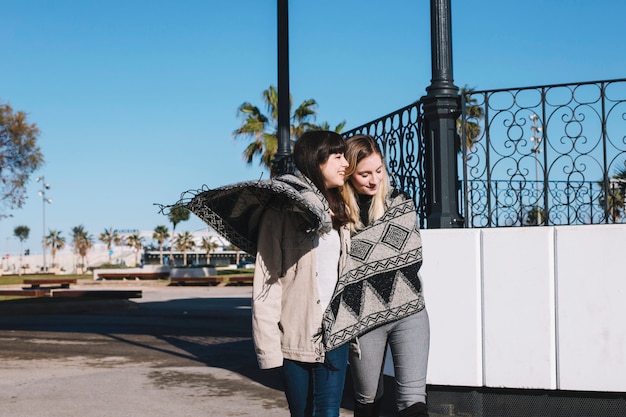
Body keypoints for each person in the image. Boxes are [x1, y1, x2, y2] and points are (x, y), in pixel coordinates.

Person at [322, 134, 430, 417]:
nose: (374, 180)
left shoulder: (401, 203)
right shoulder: (337, 214)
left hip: (409, 311)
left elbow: (413, 256)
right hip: (363, 317)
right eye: (365, 174)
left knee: (414, 401)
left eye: (379, 171)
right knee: (368, 399)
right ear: (349, 174)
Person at [252, 130, 352, 417]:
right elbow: (267, 282)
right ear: (316, 161)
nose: (345, 163)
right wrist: (268, 347)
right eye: (337, 157)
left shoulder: (341, 210)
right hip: (294, 338)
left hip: (335, 334)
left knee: (328, 413)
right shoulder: (280, 212)